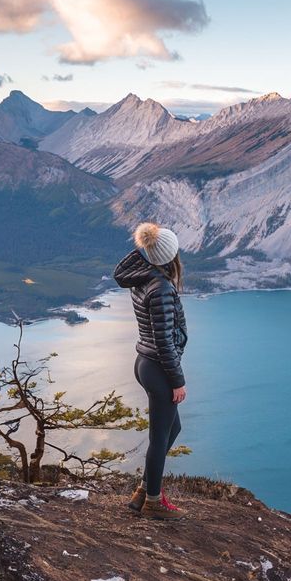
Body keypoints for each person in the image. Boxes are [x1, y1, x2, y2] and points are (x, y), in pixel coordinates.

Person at [113, 222, 188, 520]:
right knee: (159, 438)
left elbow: (160, 340)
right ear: (171, 256)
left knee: (173, 429)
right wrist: (178, 381)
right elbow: (165, 343)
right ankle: (154, 501)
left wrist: (147, 245)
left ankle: (144, 489)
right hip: (158, 367)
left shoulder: (143, 278)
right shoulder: (161, 288)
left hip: (145, 363)